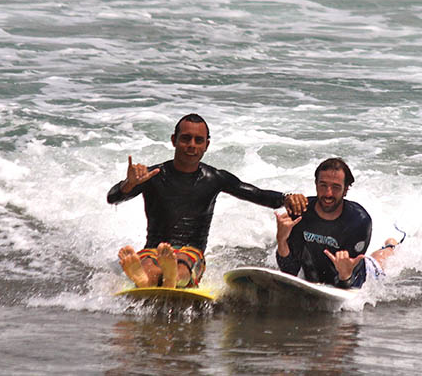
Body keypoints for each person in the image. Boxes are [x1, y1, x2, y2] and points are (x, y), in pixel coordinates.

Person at [107, 113, 306, 289]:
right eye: (185, 139)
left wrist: (285, 198)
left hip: (191, 251)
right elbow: (113, 198)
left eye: (198, 140)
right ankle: (154, 278)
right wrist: (129, 184)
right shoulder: (153, 175)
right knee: (150, 265)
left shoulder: (214, 178)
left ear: (206, 145)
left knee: (182, 265)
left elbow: (256, 194)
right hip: (153, 249)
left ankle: (159, 279)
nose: (191, 145)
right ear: (174, 140)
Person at [275, 157, 375, 288]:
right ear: (316, 184)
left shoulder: (358, 221)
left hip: (359, 280)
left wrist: (345, 275)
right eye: (323, 185)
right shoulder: (300, 212)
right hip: (314, 281)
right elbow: (290, 270)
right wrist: (281, 240)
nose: (328, 193)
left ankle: (390, 246)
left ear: (345, 190)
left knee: (379, 260)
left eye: (336, 187)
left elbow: (346, 287)